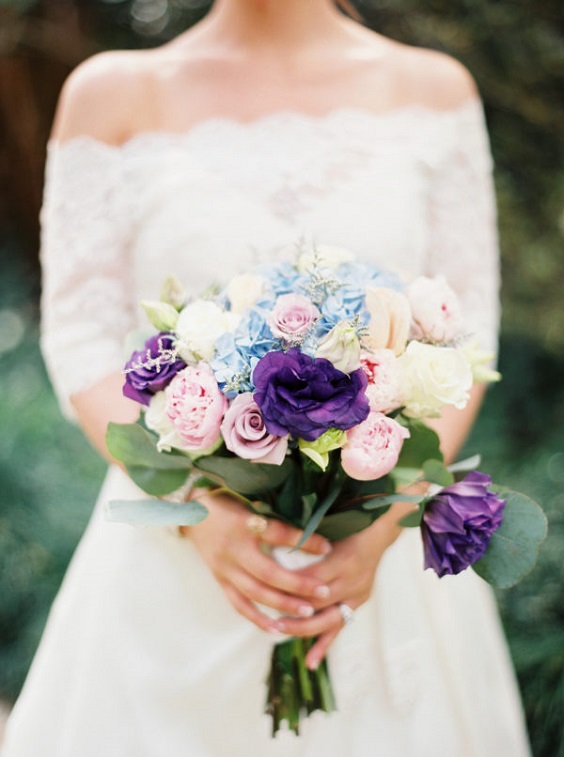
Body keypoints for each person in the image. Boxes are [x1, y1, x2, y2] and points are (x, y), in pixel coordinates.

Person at [2, 1, 531, 754]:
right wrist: (197, 512)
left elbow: (466, 325)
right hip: (179, 557)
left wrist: (381, 522)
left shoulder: (434, 90)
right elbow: (81, 334)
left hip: (376, 550)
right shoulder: (111, 93)